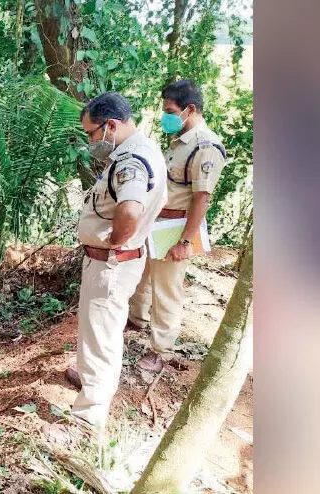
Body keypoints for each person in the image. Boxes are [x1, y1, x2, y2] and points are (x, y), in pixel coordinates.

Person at [63, 92, 167, 432]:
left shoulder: (131, 161)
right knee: (101, 330)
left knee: (102, 333)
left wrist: (114, 240)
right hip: (117, 261)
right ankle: (93, 380)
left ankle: (89, 414)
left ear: (111, 125)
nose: (90, 140)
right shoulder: (143, 148)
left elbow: (130, 209)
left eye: (91, 133)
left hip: (112, 262)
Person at [128, 80, 228, 372]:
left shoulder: (205, 146)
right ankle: (137, 320)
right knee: (143, 277)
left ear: (190, 109)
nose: (165, 117)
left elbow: (201, 198)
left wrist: (185, 242)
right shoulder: (180, 140)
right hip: (155, 221)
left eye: (170, 111)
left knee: (167, 289)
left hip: (175, 225)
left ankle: (161, 350)